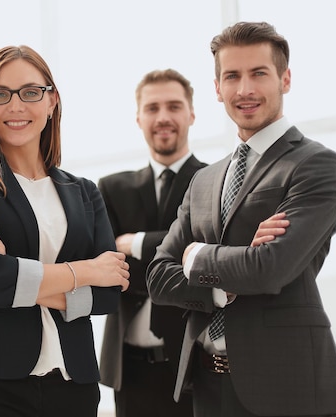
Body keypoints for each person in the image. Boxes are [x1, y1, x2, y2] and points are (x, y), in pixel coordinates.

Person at [146, 21, 336, 417]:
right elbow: (157, 276)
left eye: (259, 74)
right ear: (217, 88)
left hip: (288, 387)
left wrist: (198, 256)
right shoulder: (204, 179)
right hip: (207, 385)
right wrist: (222, 286)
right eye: (232, 76)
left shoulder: (316, 165)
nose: (245, 90)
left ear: (285, 79)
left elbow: (271, 269)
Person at [0, 45, 130, 417]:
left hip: (73, 380)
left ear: (52, 101)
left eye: (30, 92)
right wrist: (85, 271)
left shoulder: (84, 191)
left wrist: (13, 269)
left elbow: (107, 297)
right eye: (0, 95)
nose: (15, 106)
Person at [99, 69, 206, 417]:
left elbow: (215, 251)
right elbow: (106, 269)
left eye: (174, 106)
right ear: (138, 117)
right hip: (130, 373)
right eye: (152, 108)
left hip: (198, 370)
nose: (163, 117)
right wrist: (183, 254)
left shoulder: (214, 181)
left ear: (191, 113)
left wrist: (137, 243)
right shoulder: (112, 189)